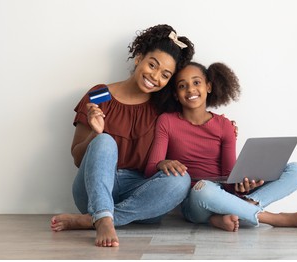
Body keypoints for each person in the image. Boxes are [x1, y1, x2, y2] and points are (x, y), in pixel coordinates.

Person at [50, 24, 195, 247]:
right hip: (92, 190)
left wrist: (224, 125)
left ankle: (97, 219)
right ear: (139, 58)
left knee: (181, 180)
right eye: (152, 65)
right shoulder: (100, 94)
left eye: (165, 75)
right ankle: (103, 218)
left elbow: (194, 128)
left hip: (138, 195)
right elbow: (78, 159)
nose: (155, 76)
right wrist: (95, 136)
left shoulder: (164, 108)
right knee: (105, 140)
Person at [145, 61, 297, 232]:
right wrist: (162, 163)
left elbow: (228, 180)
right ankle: (273, 218)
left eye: (196, 82)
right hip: (195, 199)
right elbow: (150, 171)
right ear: (176, 94)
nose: (190, 89)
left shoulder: (224, 125)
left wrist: (243, 186)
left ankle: (229, 213)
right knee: (204, 189)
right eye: (183, 86)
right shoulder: (166, 122)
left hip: (224, 193)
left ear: (209, 87)